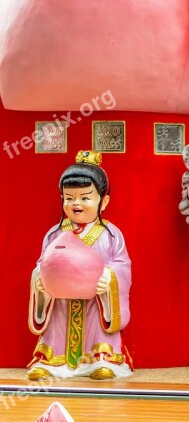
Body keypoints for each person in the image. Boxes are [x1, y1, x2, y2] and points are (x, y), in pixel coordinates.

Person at [28, 150, 132, 380]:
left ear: (103, 201)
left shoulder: (110, 235)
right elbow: (42, 262)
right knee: (57, 318)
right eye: (69, 197)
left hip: (95, 300)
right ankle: (52, 360)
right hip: (61, 303)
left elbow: (121, 264)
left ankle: (99, 357)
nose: (76, 204)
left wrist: (110, 277)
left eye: (85, 198)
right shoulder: (54, 235)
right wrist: (40, 279)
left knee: (97, 322)